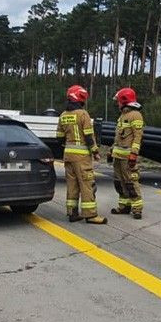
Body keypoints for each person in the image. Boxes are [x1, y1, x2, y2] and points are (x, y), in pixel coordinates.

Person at [54, 85, 106, 224]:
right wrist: (95, 151)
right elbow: (89, 136)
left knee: (72, 184)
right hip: (82, 157)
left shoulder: (63, 115)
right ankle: (90, 215)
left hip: (68, 156)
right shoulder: (83, 114)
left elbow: (59, 138)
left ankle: (72, 213)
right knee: (86, 184)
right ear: (81, 99)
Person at [110, 87, 144, 219]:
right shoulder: (123, 115)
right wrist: (112, 149)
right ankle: (124, 206)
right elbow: (119, 136)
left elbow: (137, 137)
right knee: (119, 182)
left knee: (130, 181)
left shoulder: (135, 115)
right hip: (118, 156)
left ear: (124, 100)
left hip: (128, 156)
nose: (117, 103)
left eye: (118, 101)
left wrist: (134, 154)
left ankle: (137, 208)